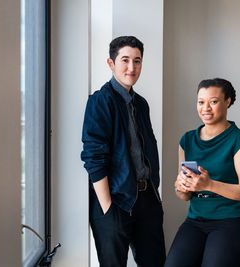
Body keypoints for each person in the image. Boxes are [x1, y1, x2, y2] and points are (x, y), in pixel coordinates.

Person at [81, 36, 165, 267]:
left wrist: (154, 196)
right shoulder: (100, 101)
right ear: (111, 63)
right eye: (125, 60)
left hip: (147, 200)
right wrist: (108, 207)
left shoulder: (141, 104)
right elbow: (93, 156)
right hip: (115, 201)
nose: (132, 67)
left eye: (137, 61)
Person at [164, 78, 240, 267]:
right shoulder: (187, 140)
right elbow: (184, 195)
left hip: (233, 221)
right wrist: (181, 186)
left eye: (213, 101)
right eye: (201, 102)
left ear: (227, 101)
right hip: (195, 221)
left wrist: (209, 184)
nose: (206, 108)